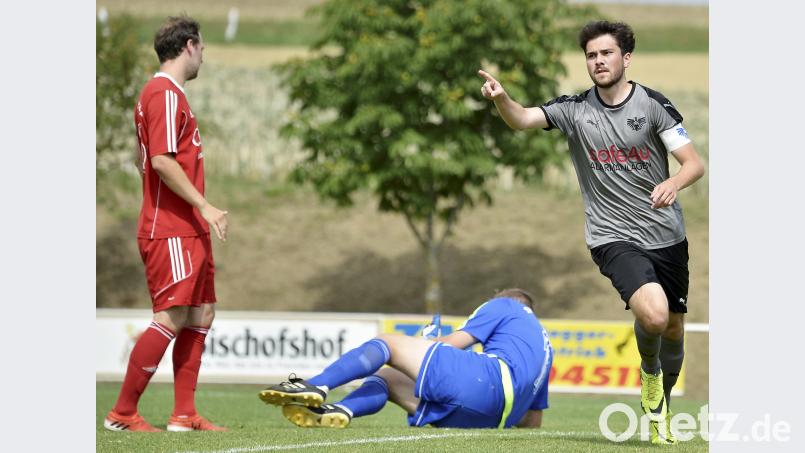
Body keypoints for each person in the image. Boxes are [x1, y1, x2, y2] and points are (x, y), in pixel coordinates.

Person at [478, 20, 705, 445]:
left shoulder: (654, 105)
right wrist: (502, 99)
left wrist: (674, 182)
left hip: (667, 235)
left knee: (673, 327)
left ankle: (662, 405)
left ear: (626, 58)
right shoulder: (575, 109)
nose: (598, 61)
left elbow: (693, 163)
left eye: (605, 53)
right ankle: (649, 375)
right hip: (611, 235)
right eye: (591, 55)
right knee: (653, 315)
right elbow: (524, 119)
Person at [104, 15, 229, 433]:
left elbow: (151, 158)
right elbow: (160, 161)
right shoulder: (164, 93)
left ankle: (183, 414)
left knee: (202, 313)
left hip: (187, 226)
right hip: (170, 226)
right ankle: (122, 413)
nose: (204, 55)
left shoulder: (163, 95)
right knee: (172, 315)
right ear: (189, 45)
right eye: (203, 47)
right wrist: (205, 206)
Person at [258, 289, 553, 430]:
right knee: (388, 378)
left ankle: (316, 386)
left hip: (487, 382)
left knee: (388, 343)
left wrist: (426, 340)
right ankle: (341, 410)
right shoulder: (544, 346)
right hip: (491, 419)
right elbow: (533, 420)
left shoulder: (503, 305)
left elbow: (454, 343)